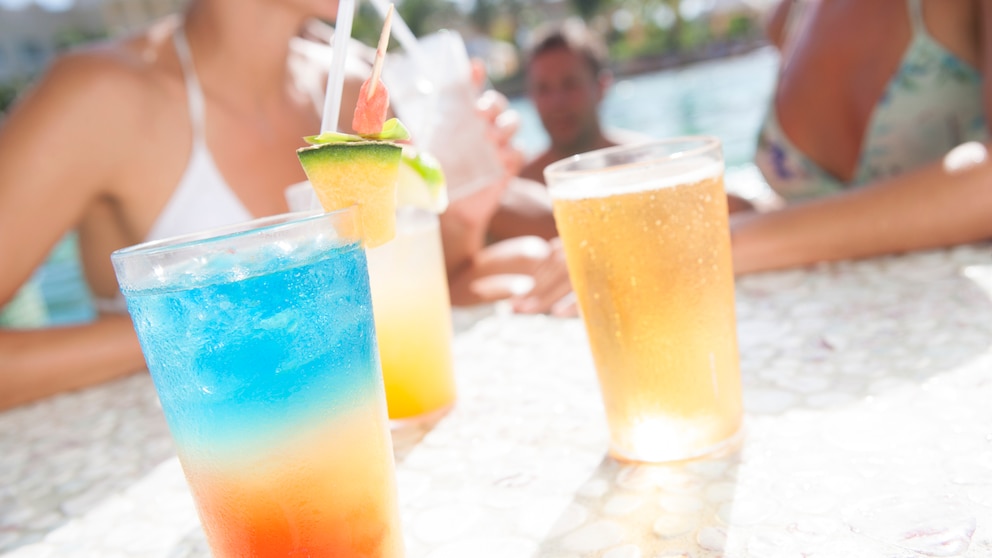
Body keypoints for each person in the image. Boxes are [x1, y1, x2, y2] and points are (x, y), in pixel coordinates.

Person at [0, 0, 527, 410]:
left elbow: (395, 307)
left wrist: (462, 221)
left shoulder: (357, 86)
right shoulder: (98, 98)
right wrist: (200, 320)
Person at [732, 0, 992, 273]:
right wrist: (748, 214)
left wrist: (750, 238)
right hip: (821, 311)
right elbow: (836, 207)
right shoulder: (787, 15)